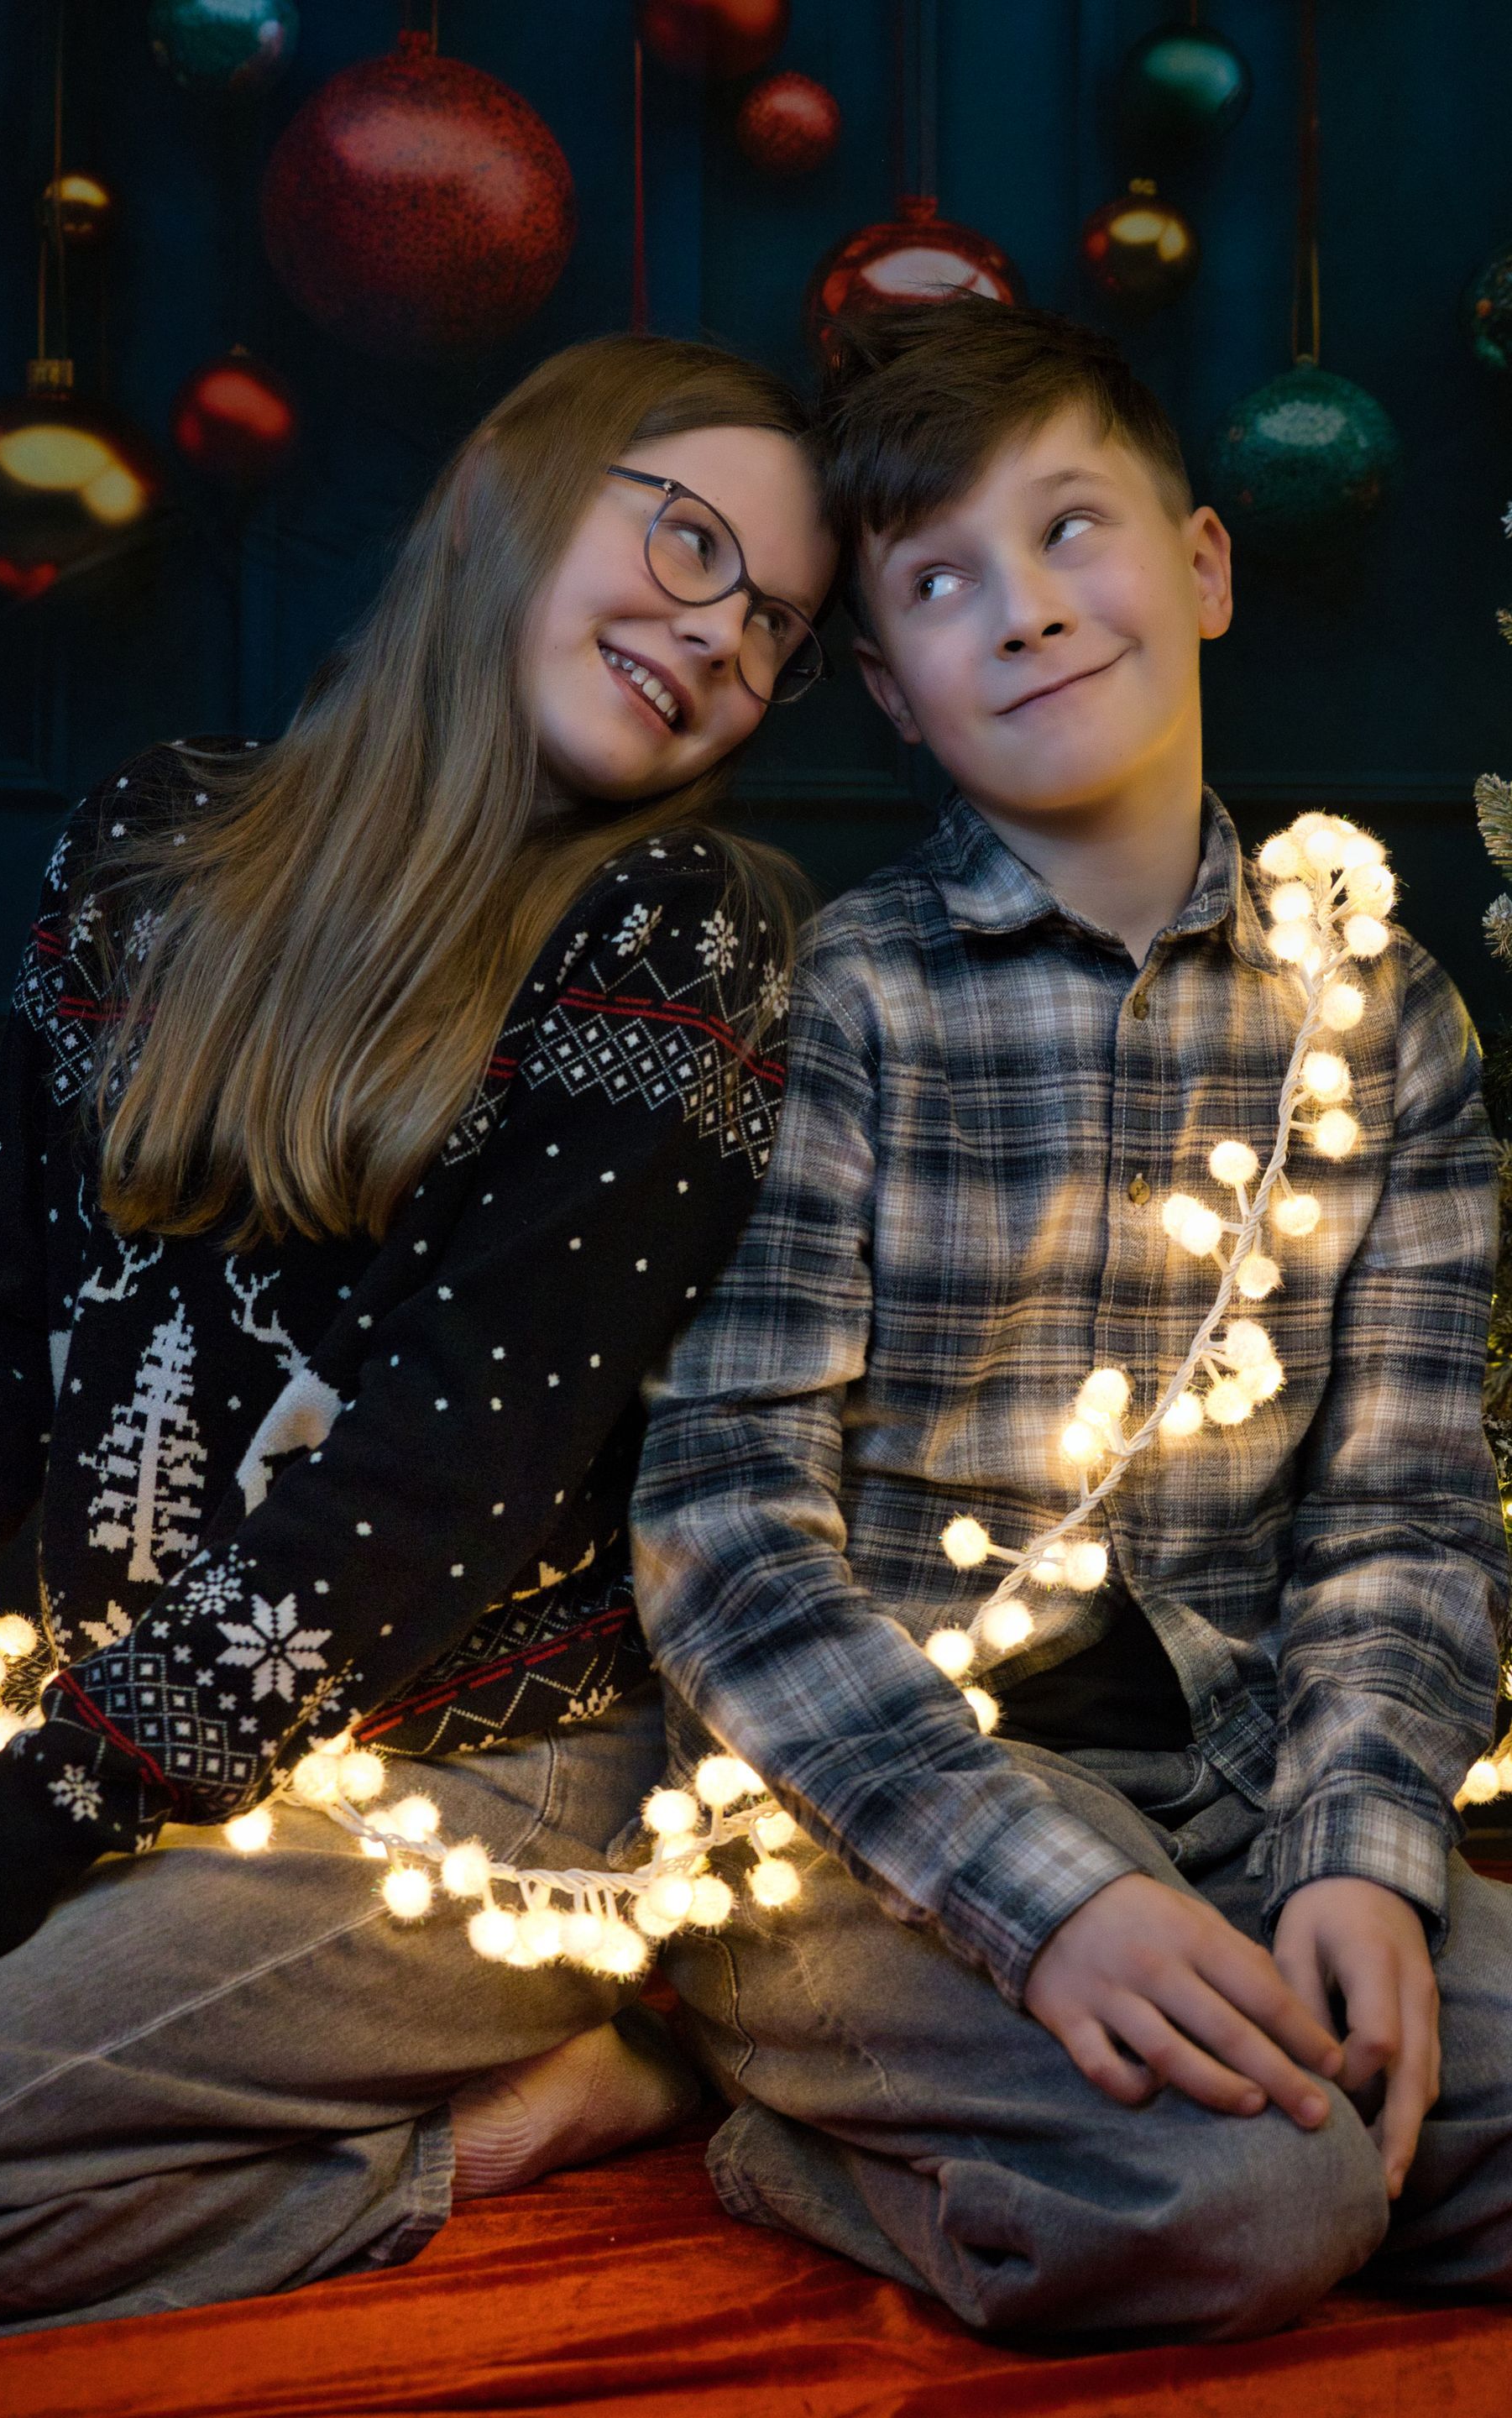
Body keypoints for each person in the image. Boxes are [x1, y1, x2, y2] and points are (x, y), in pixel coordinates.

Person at [0, 331, 837, 2347]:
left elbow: (427, 1486)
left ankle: (516, 2123)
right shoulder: (150, 845)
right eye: (690, 544)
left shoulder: (681, 929)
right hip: (100, 1717)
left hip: (462, 1788)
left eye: (774, 623)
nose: (721, 635)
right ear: (505, 491)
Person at [630, 297, 1512, 2342]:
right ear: (889, 687)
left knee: (1378, 2089)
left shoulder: (1376, 1016)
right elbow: (727, 1526)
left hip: (1246, 1790)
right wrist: (1046, 1896)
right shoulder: (846, 1003)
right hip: (865, 1820)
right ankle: (774, 2129)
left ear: (1203, 567)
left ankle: (1201, 2109)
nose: (1024, 609)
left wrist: (1362, 1849)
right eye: (942, 582)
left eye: (1070, 530)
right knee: (1258, 2194)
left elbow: (1403, 1512)